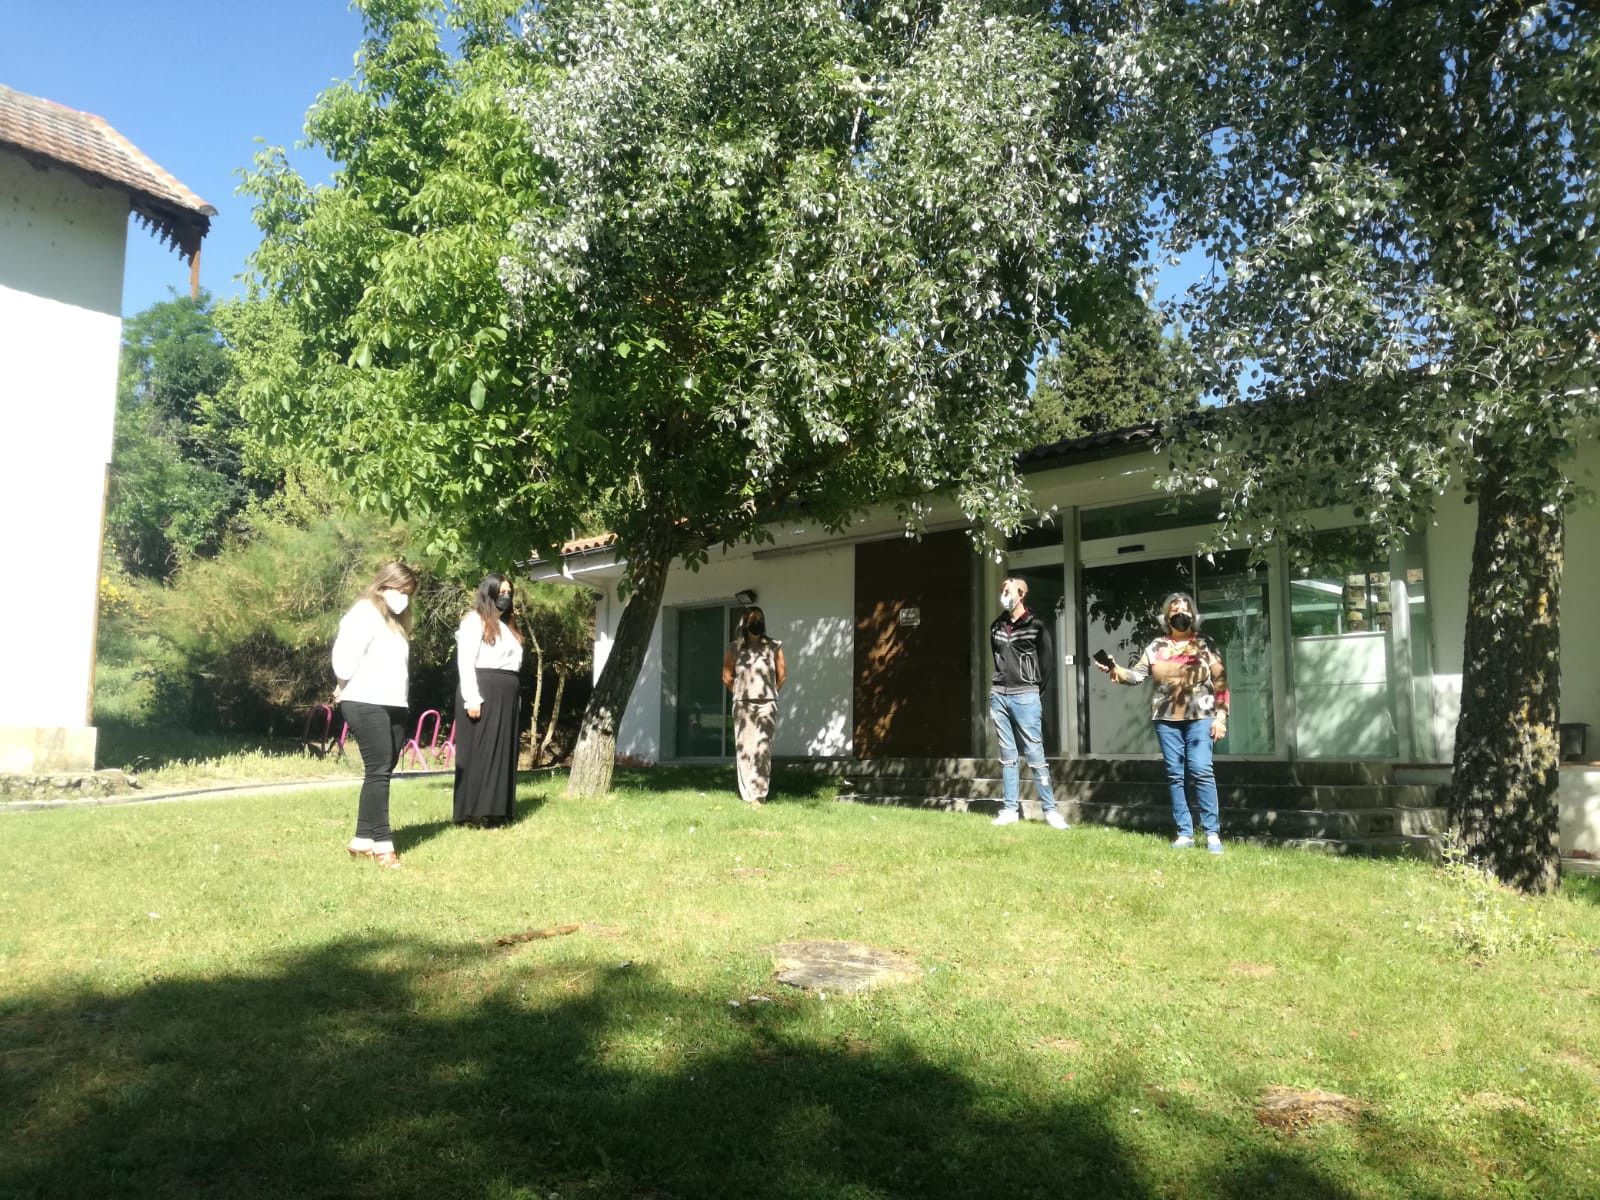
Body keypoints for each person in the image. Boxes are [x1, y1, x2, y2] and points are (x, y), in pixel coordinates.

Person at [1094, 591, 1229, 853]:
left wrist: (1221, 717)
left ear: (1194, 615)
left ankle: (1212, 834)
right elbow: (1135, 676)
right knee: (1175, 775)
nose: (1181, 613)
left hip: (1201, 717)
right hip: (1166, 719)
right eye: (1175, 609)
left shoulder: (1206, 643)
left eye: (1185, 609)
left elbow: (1221, 681)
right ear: (1166, 616)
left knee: (1201, 770)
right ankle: (1185, 834)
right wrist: (1114, 669)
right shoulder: (1156, 646)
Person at [332, 562, 420, 868]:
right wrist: (342, 685)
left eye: (408, 592)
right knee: (380, 770)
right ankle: (384, 845)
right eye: (399, 589)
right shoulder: (363, 613)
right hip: (365, 700)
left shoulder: (396, 622)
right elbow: (343, 660)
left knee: (381, 769)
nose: (403, 596)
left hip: (394, 703)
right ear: (383, 585)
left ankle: (361, 838)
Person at [989, 577, 1068, 829]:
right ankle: (1010, 809)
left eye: (1008, 590)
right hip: (999, 695)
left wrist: (1033, 691)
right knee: (1008, 755)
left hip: (1026, 695)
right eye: (1002, 590)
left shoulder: (1037, 625)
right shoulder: (996, 625)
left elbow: (1046, 664)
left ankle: (1050, 810)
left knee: (1035, 753)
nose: (1004, 593)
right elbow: (997, 657)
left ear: (1021, 594)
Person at [453, 573, 525, 827]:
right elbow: (465, 661)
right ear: (489, 594)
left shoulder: (508, 625)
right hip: (484, 690)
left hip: (507, 693)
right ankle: (472, 811)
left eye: (509, 593)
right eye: (500, 593)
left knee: (503, 751)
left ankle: (498, 810)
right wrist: (472, 697)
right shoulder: (474, 621)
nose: (506, 597)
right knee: (480, 751)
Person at [721, 606, 787, 805]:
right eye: (752, 619)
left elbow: (782, 675)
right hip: (743, 705)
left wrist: (771, 692)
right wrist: (741, 694)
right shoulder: (734, 648)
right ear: (745, 623)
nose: (756, 622)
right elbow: (726, 677)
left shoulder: (774, 646)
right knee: (745, 749)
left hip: (767, 704)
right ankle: (747, 794)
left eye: (759, 618)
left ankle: (759, 795)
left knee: (763, 748)